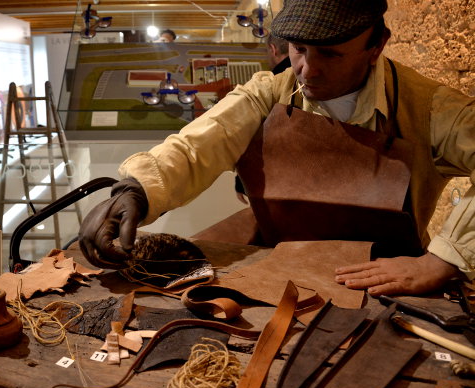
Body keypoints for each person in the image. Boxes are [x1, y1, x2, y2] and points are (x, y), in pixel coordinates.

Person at [79, 0, 475, 297]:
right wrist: (137, 189)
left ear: (377, 45)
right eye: (299, 49)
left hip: (381, 278)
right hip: (280, 261)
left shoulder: (429, 109)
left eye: (331, 53)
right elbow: (202, 141)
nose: (307, 69)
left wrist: (444, 258)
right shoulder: (271, 92)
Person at [235, 34, 291, 203]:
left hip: (277, 178)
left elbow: (252, 134)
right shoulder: (315, 77)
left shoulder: (269, 84)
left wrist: (241, 181)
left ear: (273, 50)